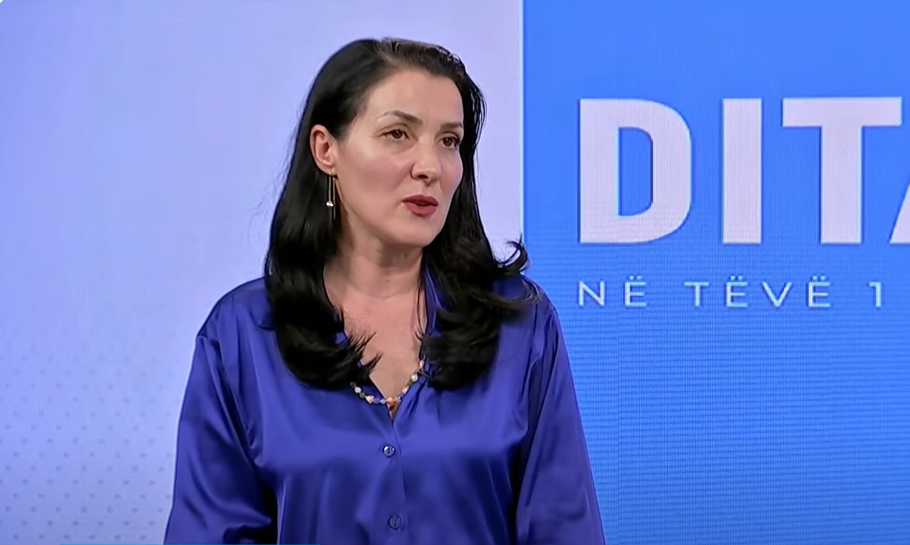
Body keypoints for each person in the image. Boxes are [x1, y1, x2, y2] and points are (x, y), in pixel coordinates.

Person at [164, 38, 605, 545]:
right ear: (326, 149)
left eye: (449, 141)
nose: (430, 167)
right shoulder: (243, 334)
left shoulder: (519, 323)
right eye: (398, 134)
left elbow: (564, 528)